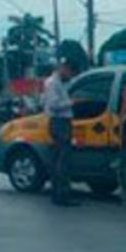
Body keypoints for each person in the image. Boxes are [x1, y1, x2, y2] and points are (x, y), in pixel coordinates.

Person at [43, 56, 80, 207]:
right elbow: (53, 105)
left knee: (62, 159)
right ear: (63, 68)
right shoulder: (53, 83)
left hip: (63, 122)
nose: (70, 75)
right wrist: (71, 103)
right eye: (69, 71)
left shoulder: (63, 83)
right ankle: (60, 195)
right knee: (61, 160)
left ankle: (61, 193)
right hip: (59, 122)